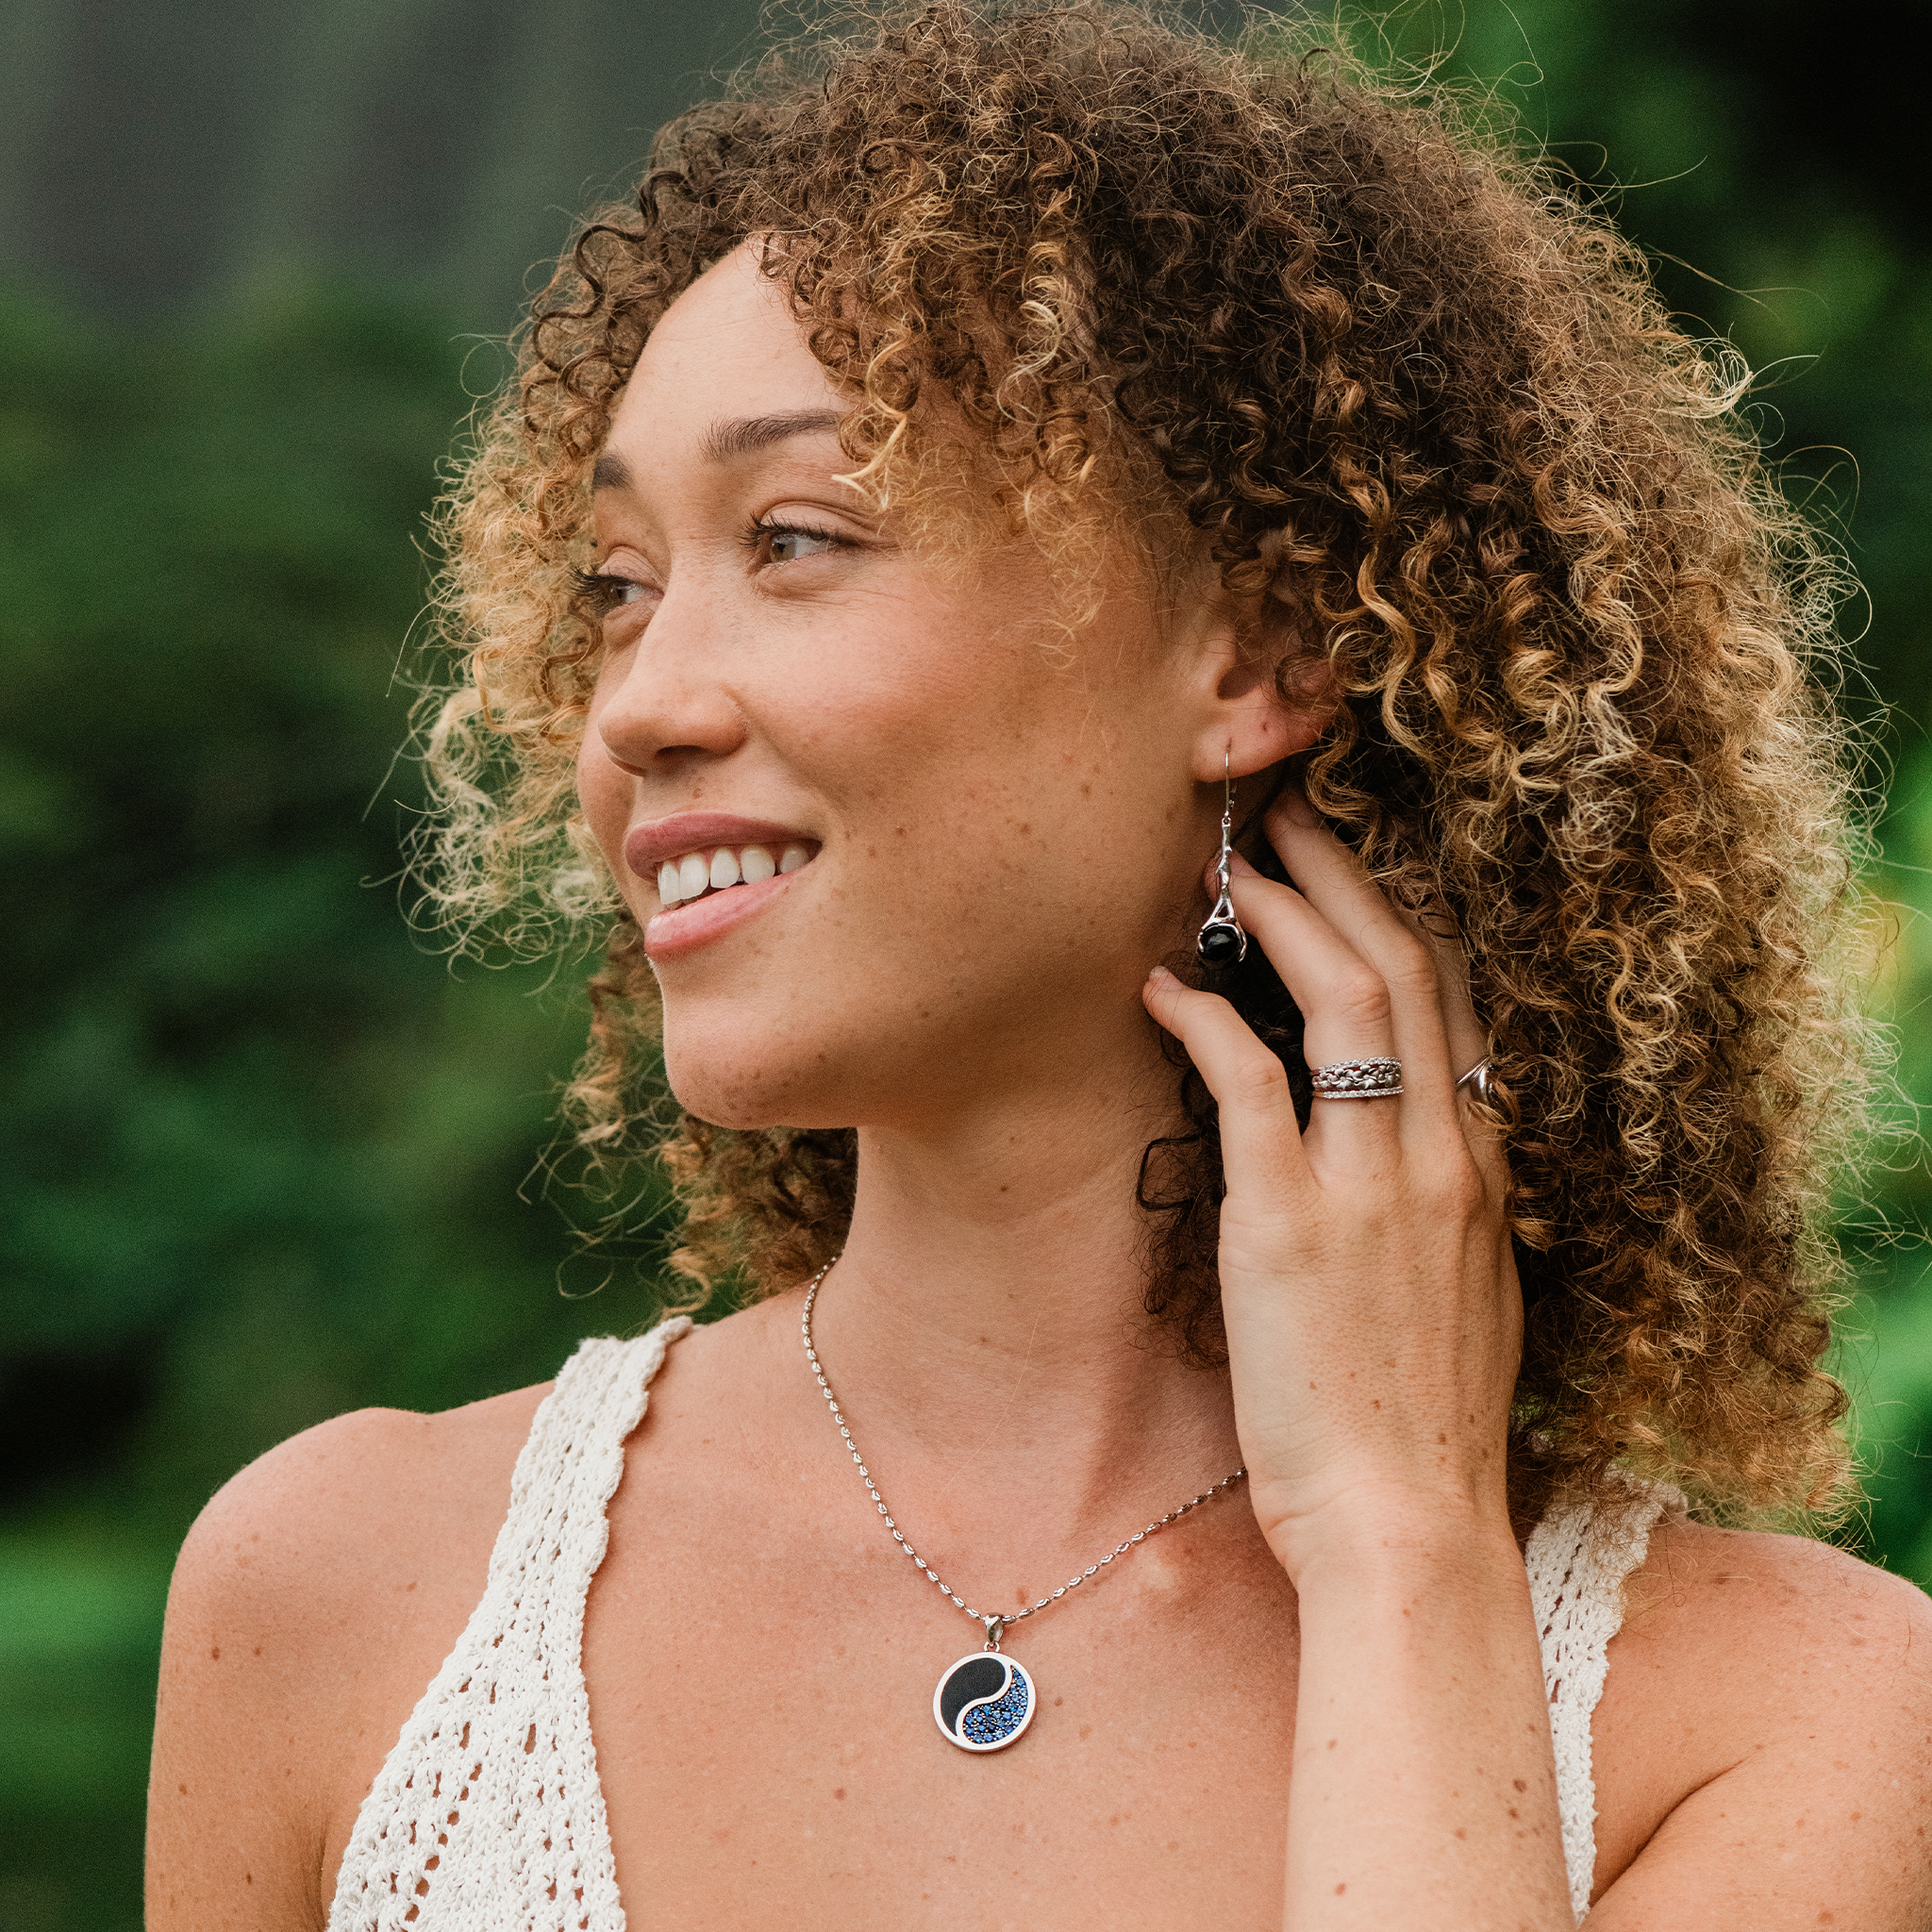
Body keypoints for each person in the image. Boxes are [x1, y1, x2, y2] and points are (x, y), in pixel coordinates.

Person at [145, 5, 1932, 1926]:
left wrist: (1400, 1555)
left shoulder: (1803, 1719)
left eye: (798, 537)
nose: (639, 705)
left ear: (1249, 656)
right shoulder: (341, 1595)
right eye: (616, 586)